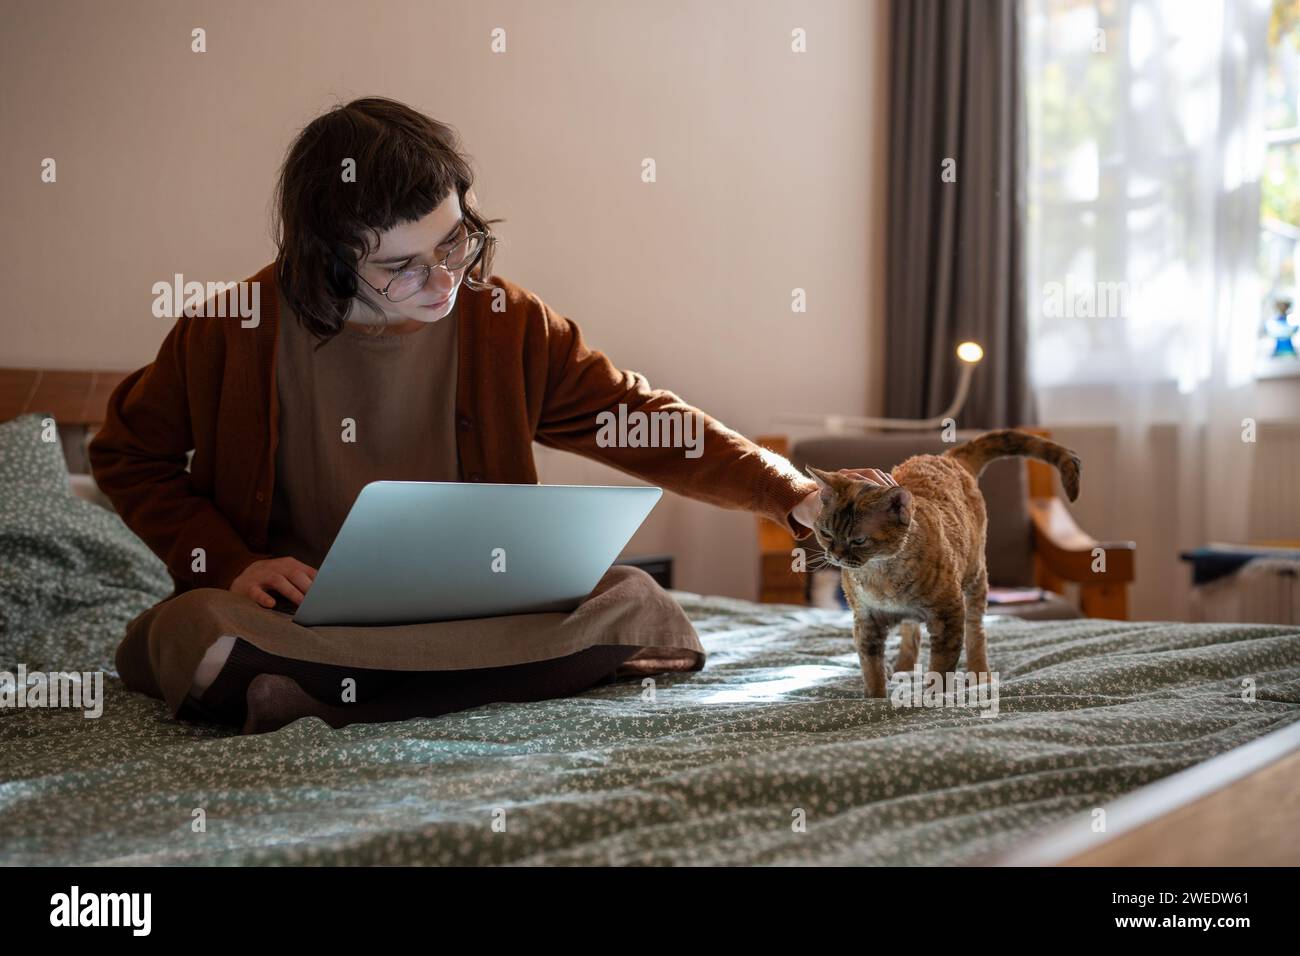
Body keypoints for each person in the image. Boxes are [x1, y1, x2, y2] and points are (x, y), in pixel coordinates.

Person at [88, 96, 891, 735]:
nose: (442, 280)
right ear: (324, 261)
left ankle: (327, 699)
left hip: (476, 610)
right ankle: (375, 683)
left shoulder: (505, 320)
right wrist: (229, 563)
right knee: (195, 630)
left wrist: (791, 492)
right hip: (297, 621)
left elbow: (640, 418)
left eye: (455, 243)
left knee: (640, 604)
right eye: (400, 267)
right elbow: (127, 454)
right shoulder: (229, 331)